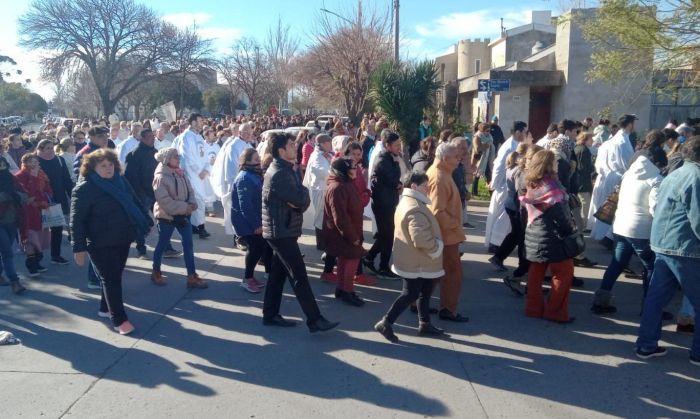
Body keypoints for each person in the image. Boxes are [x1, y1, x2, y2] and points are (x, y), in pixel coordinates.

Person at [261, 133, 339, 333]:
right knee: (299, 275)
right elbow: (301, 200)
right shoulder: (280, 173)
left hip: (283, 229)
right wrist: (300, 197)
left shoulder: (287, 169)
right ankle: (315, 319)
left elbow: (301, 197)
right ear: (281, 151)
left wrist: (300, 196)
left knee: (278, 275)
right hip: (281, 232)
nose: (295, 147)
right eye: (291, 145)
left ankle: (270, 315)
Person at [71, 149, 152, 335]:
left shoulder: (121, 181)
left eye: (110, 165)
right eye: (103, 166)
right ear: (92, 168)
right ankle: (119, 319)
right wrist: (79, 248)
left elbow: (134, 201)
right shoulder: (84, 189)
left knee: (114, 276)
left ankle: (105, 308)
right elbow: (76, 221)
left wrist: (146, 219)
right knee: (111, 278)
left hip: (122, 238)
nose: (108, 169)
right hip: (99, 242)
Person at [635, 136, 700, 364]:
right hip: (685, 248)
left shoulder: (675, 174)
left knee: (655, 299)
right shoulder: (696, 176)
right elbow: (698, 218)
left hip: (663, 244)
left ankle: (646, 344)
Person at [591, 131, 667, 315]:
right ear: (658, 164)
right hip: (640, 230)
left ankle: (600, 301)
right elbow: (655, 208)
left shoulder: (629, 174)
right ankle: (649, 308)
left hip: (621, 226)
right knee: (650, 267)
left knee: (617, 263)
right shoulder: (655, 180)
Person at [374, 172, 445, 342]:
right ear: (413, 186)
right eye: (424, 186)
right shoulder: (415, 207)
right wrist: (436, 248)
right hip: (418, 260)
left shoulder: (408, 202)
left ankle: (425, 323)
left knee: (425, 290)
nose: (428, 189)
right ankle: (386, 322)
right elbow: (420, 238)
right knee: (411, 293)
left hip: (414, 259)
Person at [521, 150, 577, 323]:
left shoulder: (531, 184)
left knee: (536, 272)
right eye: (555, 162)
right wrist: (571, 231)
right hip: (553, 237)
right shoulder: (552, 186)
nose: (557, 165)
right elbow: (561, 215)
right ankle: (556, 312)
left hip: (534, 233)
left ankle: (533, 309)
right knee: (564, 272)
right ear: (548, 165)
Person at [150, 147, 206, 289]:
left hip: (182, 216)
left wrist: (192, 202)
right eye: (175, 156)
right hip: (166, 217)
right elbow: (164, 201)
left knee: (188, 245)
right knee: (162, 244)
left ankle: (191, 276)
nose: (178, 158)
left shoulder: (180, 173)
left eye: (178, 156)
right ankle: (156, 271)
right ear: (167, 159)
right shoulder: (160, 177)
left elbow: (190, 191)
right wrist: (185, 207)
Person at [427, 142, 469, 322]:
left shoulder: (442, 173)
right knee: (453, 273)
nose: (459, 158)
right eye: (455, 156)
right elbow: (437, 212)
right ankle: (448, 309)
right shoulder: (439, 177)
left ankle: (421, 303)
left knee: (436, 272)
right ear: (444, 159)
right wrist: (455, 225)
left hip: (446, 234)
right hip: (446, 236)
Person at [587, 114, 637, 246]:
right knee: (613, 208)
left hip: (604, 177)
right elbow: (628, 163)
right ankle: (608, 237)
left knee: (604, 206)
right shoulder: (623, 142)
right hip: (616, 178)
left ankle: (601, 235)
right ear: (630, 124)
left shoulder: (609, 142)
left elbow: (598, 163)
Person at [322, 157, 365, 306]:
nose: (356, 170)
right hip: (345, 233)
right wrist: (352, 237)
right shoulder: (338, 187)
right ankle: (347, 291)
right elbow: (340, 217)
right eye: (353, 168)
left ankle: (341, 289)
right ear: (344, 171)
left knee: (344, 260)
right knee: (351, 261)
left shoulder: (345, 184)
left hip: (348, 231)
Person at [363, 129, 403, 279]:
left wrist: (398, 184)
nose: (399, 147)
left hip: (388, 202)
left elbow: (395, 179)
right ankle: (383, 267)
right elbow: (391, 180)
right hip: (382, 204)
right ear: (387, 145)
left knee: (386, 235)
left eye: (400, 144)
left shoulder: (391, 158)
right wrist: (398, 185)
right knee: (387, 236)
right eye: (396, 145)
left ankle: (369, 258)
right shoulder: (383, 160)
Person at [485, 121, 528, 251]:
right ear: (518, 132)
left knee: (504, 217)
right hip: (504, 184)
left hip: (508, 184)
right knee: (502, 216)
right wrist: (495, 183)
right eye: (525, 132)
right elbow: (498, 166)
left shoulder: (515, 144)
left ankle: (499, 242)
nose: (525, 134)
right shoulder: (510, 146)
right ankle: (495, 243)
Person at [231, 148, 270, 293]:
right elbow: (245, 206)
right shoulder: (244, 178)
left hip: (255, 218)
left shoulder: (253, 175)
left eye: (259, 159)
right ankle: (247, 279)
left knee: (259, 247)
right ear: (247, 162)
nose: (259, 162)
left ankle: (250, 277)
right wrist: (256, 225)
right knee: (255, 248)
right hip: (246, 221)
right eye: (256, 160)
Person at [489, 143, 530, 275]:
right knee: (521, 236)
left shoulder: (511, 167)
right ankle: (521, 266)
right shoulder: (519, 171)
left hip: (511, 204)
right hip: (516, 206)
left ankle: (498, 257)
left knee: (516, 234)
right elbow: (520, 190)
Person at [210, 122, 254, 242]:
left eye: (250, 132)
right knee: (235, 211)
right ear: (240, 133)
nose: (249, 134)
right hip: (235, 184)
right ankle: (238, 237)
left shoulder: (248, 145)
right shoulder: (234, 146)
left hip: (248, 183)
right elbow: (232, 167)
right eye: (247, 132)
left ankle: (245, 235)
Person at [36, 139, 73, 265]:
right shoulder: (35, 161)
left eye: (52, 147)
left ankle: (55, 255)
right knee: (39, 230)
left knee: (57, 227)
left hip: (58, 198)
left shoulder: (59, 160)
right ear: (40, 149)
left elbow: (67, 180)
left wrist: (73, 195)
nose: (51, 150)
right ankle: (35, 258)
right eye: (47, 148)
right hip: (40, 201)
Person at [174, 114, 211, 239]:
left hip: (202, 174)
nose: (202, 123)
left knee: (200, 200)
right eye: (200, 121)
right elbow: (187, 157)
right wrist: (198, 171)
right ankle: (200, 227)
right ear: (193, 122)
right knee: (196, 199)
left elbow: (204, 155)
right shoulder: (186, 136)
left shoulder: (199, 136)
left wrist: (206, 168)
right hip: (192, 174)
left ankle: (195, 226)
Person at [15, 154, 52, 277]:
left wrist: (47, 197)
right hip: (27, 212)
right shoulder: (20, 176)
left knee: (40, 237)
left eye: (36, 161)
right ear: (25, 163)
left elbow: (48, 189)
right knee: (30, 238)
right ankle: (31, 265)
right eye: (31, 161)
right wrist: (33, 178)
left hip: (41, 209)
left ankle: (37, 261)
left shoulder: (42, 174)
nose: (34, 163)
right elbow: (26, 194)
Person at [0, 156, 27, 294]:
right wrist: (5, 196)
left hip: (13, 220)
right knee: (7, 252)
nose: (1, 167)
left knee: (5, 249)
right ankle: (14, 281)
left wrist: (17, 196)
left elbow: (24, 195)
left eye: (3, 164)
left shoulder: (12, 179)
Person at [302, 134, 333, 251]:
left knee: (324, 218)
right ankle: (321, 244)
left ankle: (324, 243)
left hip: (324, 190)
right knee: (320, 219)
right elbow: (326, 173)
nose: (331, 146)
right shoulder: (317, 157)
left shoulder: (324, 154)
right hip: (320, 191)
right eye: (329, 143)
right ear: (324, 144)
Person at [573, 132, 594, 232]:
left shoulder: (576, 148)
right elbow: (585, 167)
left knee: (576, 204)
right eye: (591, 139)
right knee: (585, 203)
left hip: (576, 180)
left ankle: (577, 224)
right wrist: (593, 170)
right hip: (583, 181)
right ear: (585, 139)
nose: (592, 141)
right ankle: (584, 225)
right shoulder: (585, 150)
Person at [471, 123, 495, 194]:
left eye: (489, 130)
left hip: (487, 159)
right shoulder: (477, 137)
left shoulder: (490, 137)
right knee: (477, 175)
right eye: (487, 130)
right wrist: (486, 145)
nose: (488, 132)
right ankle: (474, 192)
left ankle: (491, 192)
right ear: (482, 130)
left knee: (489, 175)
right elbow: (477, 149)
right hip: (479, 159)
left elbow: (491, 147)